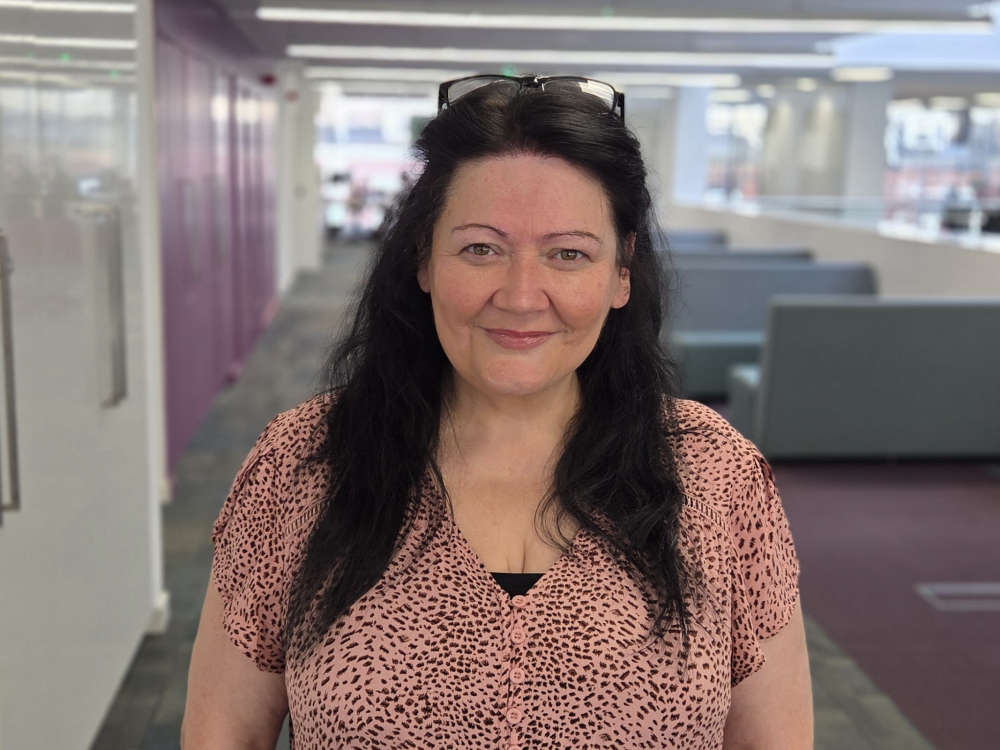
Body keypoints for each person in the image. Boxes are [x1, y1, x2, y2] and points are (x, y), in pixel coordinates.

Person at [182, 73, 813, 749]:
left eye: (568, 254)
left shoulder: (713, 473)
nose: (520, 296)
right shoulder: (306, 462)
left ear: (621, 273)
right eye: (480, 249)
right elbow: (224, 735)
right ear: (424, 258)